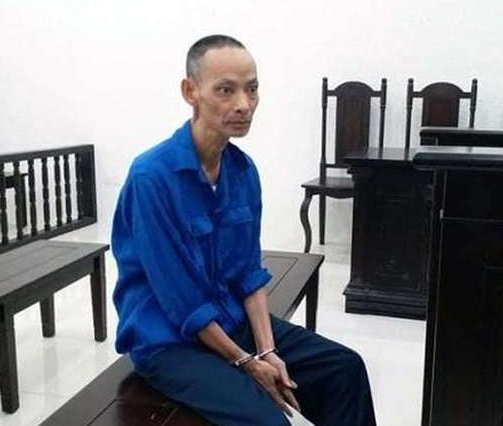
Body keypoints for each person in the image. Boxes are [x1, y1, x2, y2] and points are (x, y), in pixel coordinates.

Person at [111, 34, 377, 426]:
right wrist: (248, 363)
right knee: (268, 421)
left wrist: (267, 351)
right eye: (226, 90)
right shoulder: (152, 178)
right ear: (190, 91)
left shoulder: (242, 170)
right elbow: (183, 303)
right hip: (168, 341)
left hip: (229, 322)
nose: (244, 104)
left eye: (252, 89)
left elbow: (248, 274)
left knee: (344, 369)